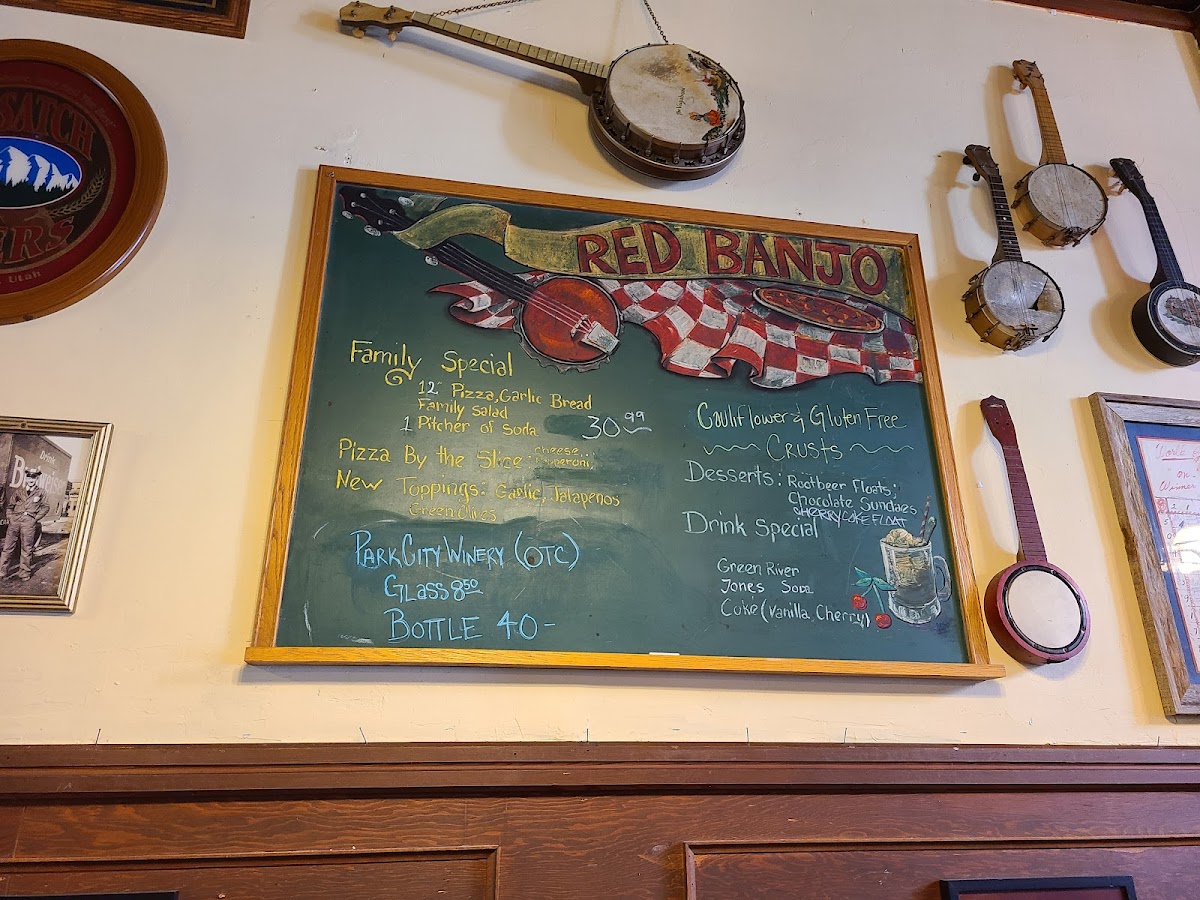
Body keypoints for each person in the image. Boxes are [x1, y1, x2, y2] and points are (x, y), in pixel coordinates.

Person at [0, 468, 49, 581]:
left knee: (26, 549)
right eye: (29, 477)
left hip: (28, 523)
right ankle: (2, 572)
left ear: (37, 479)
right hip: (15, 522)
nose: (31, 480)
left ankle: (24, 573)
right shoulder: (19, 492)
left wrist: (35, 519)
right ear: (26, 478)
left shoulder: (41, 492)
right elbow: (10, 506)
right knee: (7, 548)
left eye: (33, 477)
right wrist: (10, 518)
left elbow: (46, 507)